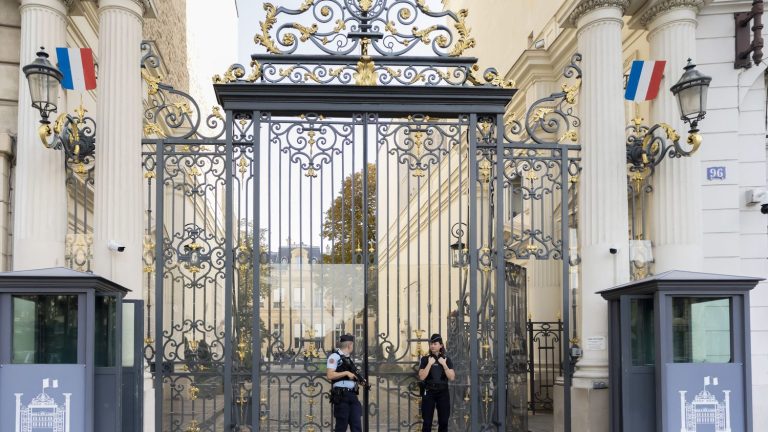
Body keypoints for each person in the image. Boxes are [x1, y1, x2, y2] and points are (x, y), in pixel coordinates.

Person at [417, 333, 455, 432]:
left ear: (441, 345)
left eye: (435, 343)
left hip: (443, 393)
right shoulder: (425, 359)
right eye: (431, 344)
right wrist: (429, 364)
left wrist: (444, 364)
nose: (432, 346)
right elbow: (421, 376)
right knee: (427, 423)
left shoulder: (446, 359)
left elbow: (451, 377)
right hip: (429, 392)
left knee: (443, 422)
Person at [327, 334, 365, 432]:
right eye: (353, 345)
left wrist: (361, 380)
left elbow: (352, 376)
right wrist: (346, 373)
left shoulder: (348, 360)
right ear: (350, 345)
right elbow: (330, 375)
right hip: (341, 396)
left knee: (357, 426)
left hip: (352, 396)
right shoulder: (334, 356)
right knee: (341, 427)